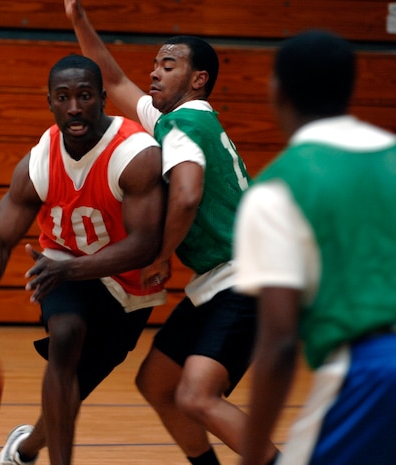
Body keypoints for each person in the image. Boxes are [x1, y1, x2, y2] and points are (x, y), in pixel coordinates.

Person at [64, 2, 280, 465]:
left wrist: (159, 256)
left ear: (198, 78)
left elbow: (185, 195)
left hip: (247, 277)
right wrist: (79, 20)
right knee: (158, 383)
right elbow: (115, 80)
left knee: (198, 396)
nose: (154, 73)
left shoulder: (182, 125)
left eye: (168, 64)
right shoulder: (181, 120)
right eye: (154, 65)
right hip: (226, 279)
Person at [0, 54, 165, 465]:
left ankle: (24, 450)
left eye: (84, 96)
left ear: (102, 98)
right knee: (65, 336)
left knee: (73, 388)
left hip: (127, 284)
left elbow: (146, 243)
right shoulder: (39, 162)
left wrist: (70, 268)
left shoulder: (135, 154)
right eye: (63, 97)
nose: (75, 108)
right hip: (61, 267)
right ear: (50, 102)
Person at [234, 30, 396, 465]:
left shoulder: (277, 188)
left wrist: (251, 456)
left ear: (278, 91)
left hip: (372, 374)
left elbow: (280, 341)